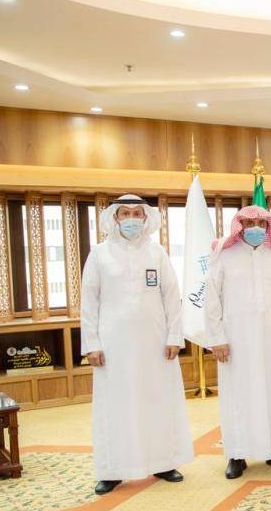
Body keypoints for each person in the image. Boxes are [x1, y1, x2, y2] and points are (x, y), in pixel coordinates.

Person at [80, 194, 194, 495]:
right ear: (115, 218)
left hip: (155, 344)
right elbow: (89, 302)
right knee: (116, 406)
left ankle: (163, 462)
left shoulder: (157, 253)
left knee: (157, 401)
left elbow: (172, 296)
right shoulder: (99, 254)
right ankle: (113, 470)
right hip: (113, 347)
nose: (131, 219)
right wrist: (92, 344)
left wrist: (174, 336)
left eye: (136, 213)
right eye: (125, 213)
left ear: (146, 218)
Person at [204, 205, 271, 479]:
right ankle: (237, 455)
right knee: (238, 395)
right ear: (240, 226)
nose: (256, 228)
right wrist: (217, 338)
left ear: (268, 226)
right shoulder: (223, 256)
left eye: (261, 223)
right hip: (235, 341)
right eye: (249, 223)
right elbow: (212, 300)